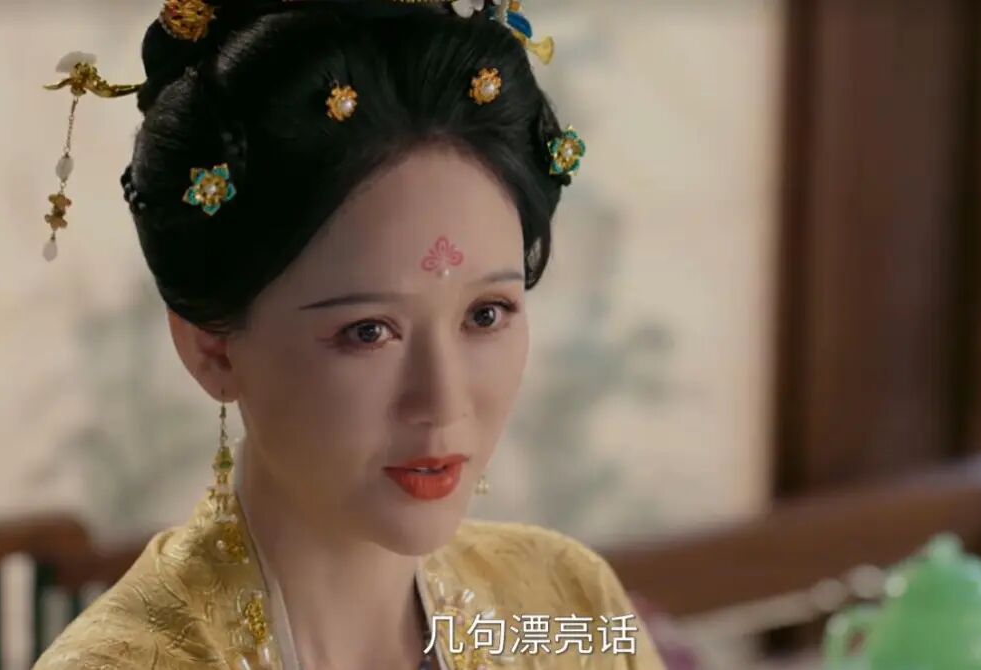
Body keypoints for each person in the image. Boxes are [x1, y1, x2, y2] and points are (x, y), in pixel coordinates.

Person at [33, 0, 663, 668]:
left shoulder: (568, 600)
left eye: (485, 315)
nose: (444, 402)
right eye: (368, 331)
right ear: (211, 347)